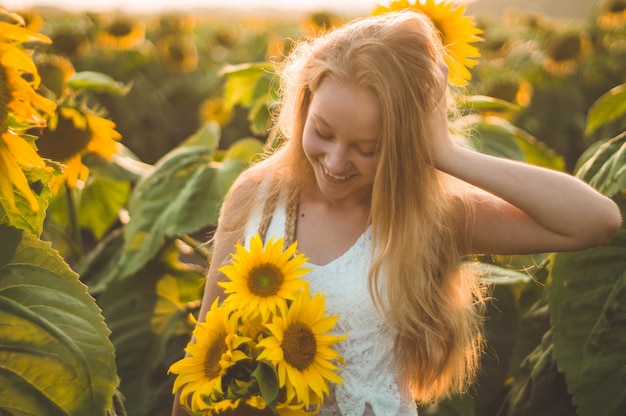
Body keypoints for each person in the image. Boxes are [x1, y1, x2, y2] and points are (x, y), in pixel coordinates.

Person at [172, 9, 622, 416]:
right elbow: (205, 351)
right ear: (305, 104)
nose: (335, 162)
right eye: (323, 132)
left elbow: (595, 221)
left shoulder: (426, 216)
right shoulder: (257, 197)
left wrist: (444, 152)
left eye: (367, 148)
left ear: (405, 144)